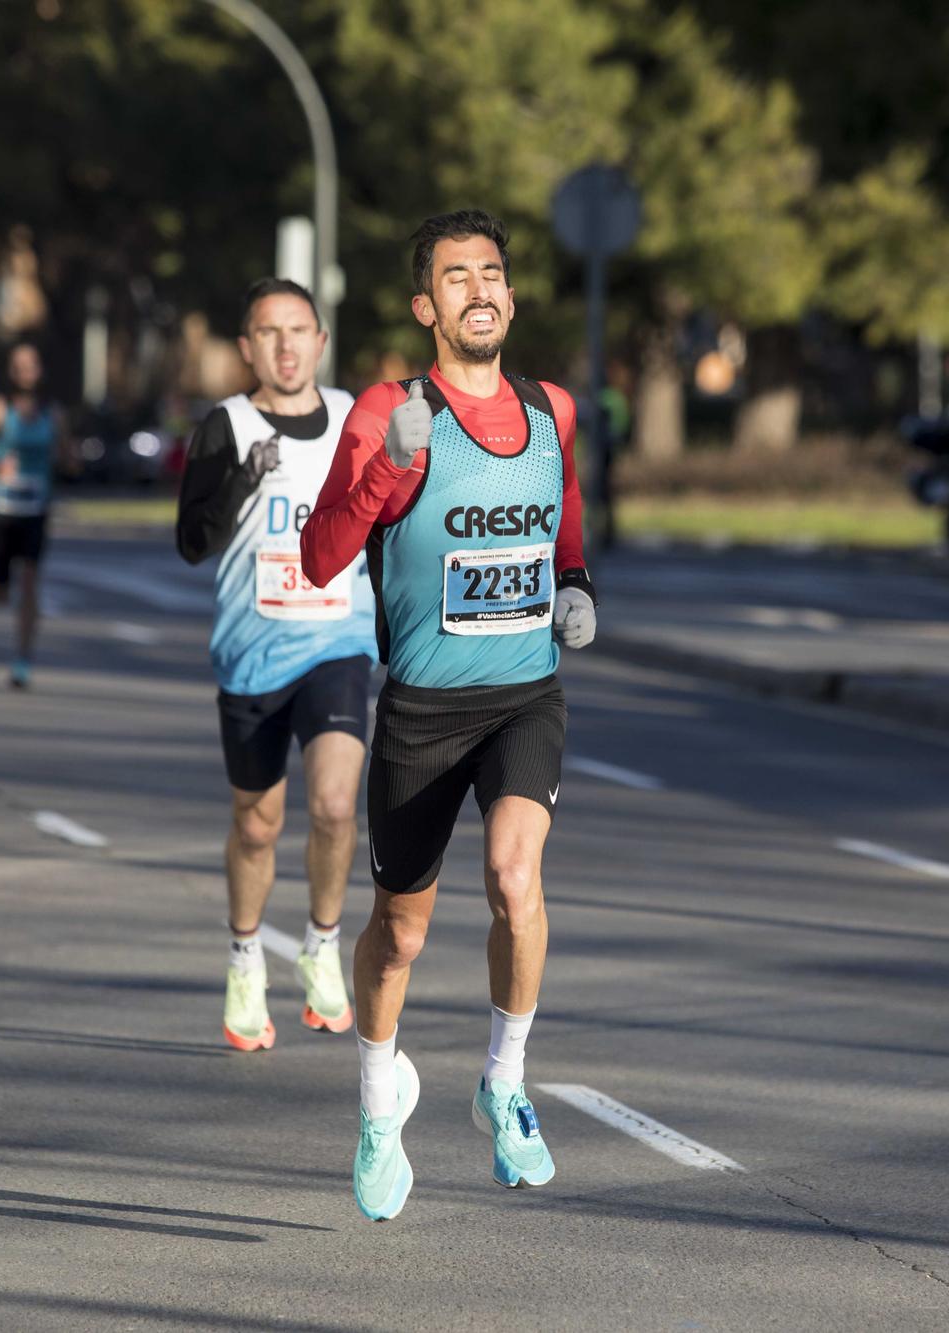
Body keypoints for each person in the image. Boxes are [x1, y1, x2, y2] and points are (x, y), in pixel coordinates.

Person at [300, 210, 598, 1221]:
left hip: (524, 693)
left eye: (493, 274)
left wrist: (573, 582)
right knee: (398, 936)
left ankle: (502, 1081)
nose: (480, 291)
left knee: (517, 879)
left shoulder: (550, 406)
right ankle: (380, 1104)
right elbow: (320, 556)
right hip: (423, 708)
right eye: (456, 277)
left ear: (509, 297)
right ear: (426, 305)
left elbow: (562, 520)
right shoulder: (388, 408)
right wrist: (392, 465)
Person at [176, 278, 375, 1052]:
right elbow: (192, 541)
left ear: (321, 342)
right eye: (270, 332)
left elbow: (383, 521)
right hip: (252, 653)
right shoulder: (224, 426)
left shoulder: (357, 420)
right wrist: (242, 478)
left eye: (300, 330)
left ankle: (322, 942)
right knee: (257, 823)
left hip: (337, 642)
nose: (286, 345)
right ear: (246, 348)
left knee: (333, 805)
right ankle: (245, 953)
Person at [0, 342, 70, 689]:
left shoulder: (53, 413)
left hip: (37, 506)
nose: (26, 372)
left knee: (30, 579)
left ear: (40, 370)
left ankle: (23, 658)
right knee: (0, 589)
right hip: (1, 506)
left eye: (31, 365)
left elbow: (67, 451)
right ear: (11, 372)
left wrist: (70, 460)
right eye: (19, 366)